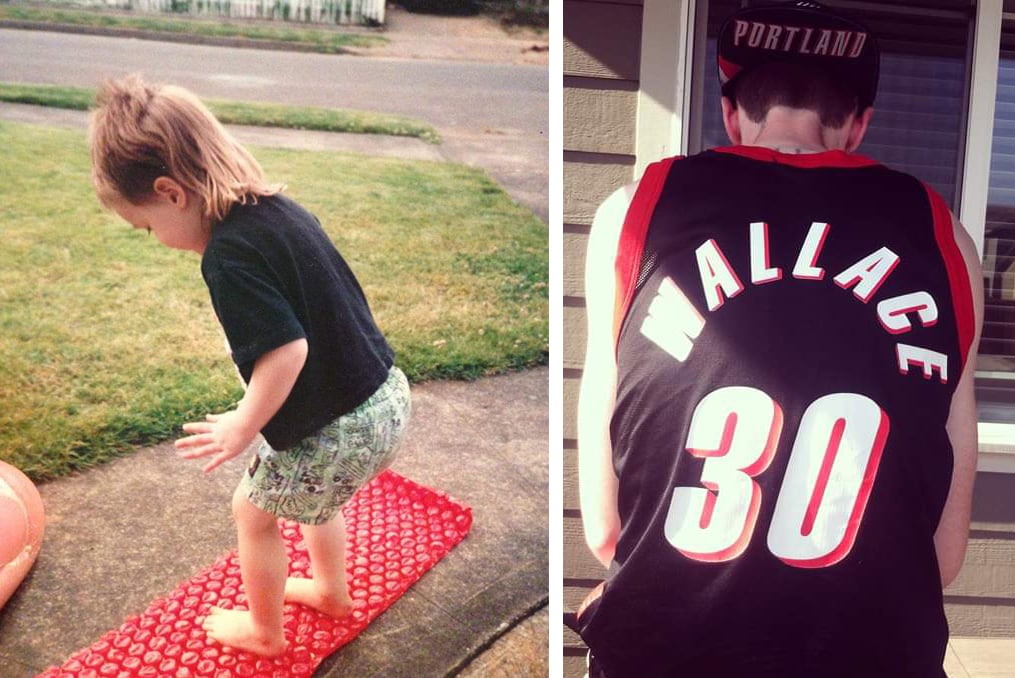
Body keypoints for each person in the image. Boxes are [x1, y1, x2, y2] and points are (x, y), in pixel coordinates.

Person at [572, 2, 983, 675]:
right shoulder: (944, 238)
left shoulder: (633, 212)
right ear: (857, 126)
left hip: (668, 649)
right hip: (873, 654)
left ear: (732, 116)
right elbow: (941, 556)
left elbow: (605, 529)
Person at [88, 75, 411, 657]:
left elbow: (287, 351)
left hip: (340, 427)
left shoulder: (228, 256)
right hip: (382, 397)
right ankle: (332, 593)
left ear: (171, 192)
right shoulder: (278, 211)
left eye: (146, 226)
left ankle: (265, 634)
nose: (154, 238)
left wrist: (242, 424)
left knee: (253, 511)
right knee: (316, 496)